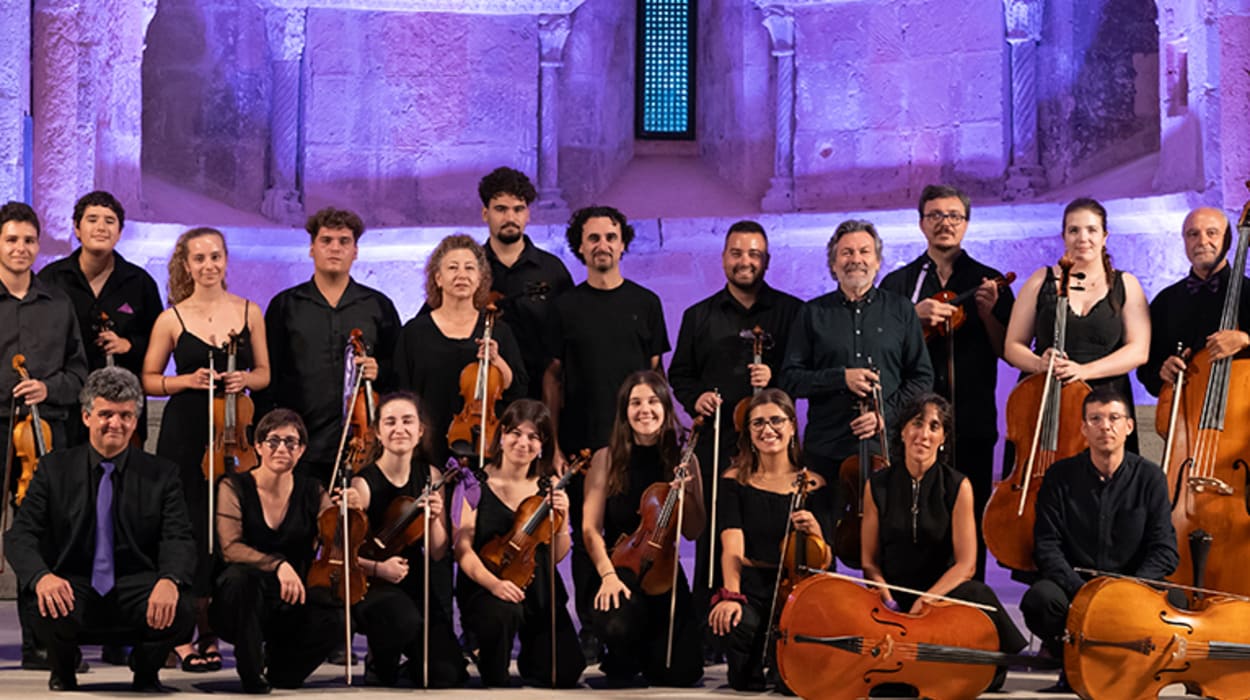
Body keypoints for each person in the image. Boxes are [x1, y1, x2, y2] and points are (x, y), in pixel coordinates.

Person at [4, 367, 195, 691]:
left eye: (125, 415)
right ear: (86, 416)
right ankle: (63, 669)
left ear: (135, 420)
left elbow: (178, 536)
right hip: (73, 583)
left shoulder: (162, 474)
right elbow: (20, 536)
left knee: (183, 606)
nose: (115, 424)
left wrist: (170, 580)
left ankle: (146, 671)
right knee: (41, 601)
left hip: (136, 584)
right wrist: (42, 577)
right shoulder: (53, 469)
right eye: (106, 414)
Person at [141, 226, 271, 672]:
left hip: (233, 434)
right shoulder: (171, 318)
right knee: (189, 524)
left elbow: (265, 374)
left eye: (215, 256)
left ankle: (212, 629)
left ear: (226, 260)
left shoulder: (250, 311)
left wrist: (244, 378)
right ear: (186, 264)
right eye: (199, 258)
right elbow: (149, 379)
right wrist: (186, 380)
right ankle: (181, 636)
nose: (208, 265)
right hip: (186, 430)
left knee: (227, 524)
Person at [543, 206, 669, 657]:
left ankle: (639, 620)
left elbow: (656, 375)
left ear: (623, 243)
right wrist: (553, 444)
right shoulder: (564, 307)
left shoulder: (646, 303)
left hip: (637, 443)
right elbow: (553, 377)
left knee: (640, 528)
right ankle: (594, 626)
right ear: (580, 246)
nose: (602, 245)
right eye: (593, 238)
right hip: (581, 440)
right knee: (586, 534)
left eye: (611, 237)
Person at [668, 220, 803, 621]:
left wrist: (776, 378)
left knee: (771, 530)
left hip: (774, 446)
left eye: (754, 254)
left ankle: (775, 616)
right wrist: (696, 398)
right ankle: (709, 621)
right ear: (724, 257)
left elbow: (803, 373)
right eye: (737, 253)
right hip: (719, 441)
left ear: (767, 260)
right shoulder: (699, 315)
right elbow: (680, 374)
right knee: (714, 533)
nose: (746, 261)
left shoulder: (793, 312)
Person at [879, 185, 1014, 580]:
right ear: (922, 223)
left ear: (966, 224)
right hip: (912, 425)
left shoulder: (989, 280)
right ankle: (913, 600)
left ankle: (968, 599)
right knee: (913, 517)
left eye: (954, 216)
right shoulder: (899, 284)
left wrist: (988, 314)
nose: (945, 223)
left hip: (971, 420)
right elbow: (882, 350)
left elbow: (1007, 350)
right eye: (935, 215)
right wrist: (912, 318)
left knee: (971, 516)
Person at [861, 393, 1026, 692]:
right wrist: (886, 596)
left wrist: (927, 601)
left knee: (977, 592)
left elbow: (966, 564)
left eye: (934, 426)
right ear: (902, 431)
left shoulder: (958, 485)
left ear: (943, 438)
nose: (924, 434)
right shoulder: (878, 485)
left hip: (942, 597)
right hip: (893, 600)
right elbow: (869, 561)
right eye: (917, 423)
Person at [1019, 386, 1179, 690]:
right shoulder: (1059, 476)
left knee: (1176, 602)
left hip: (1132, 589)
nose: (1105, 426)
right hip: (1077, 590)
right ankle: (1074, 664)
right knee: (1041, 600)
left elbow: (1165, 550)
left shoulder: (1150, 477)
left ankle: (1128, 668)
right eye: (1096, 419)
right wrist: (1084, 593)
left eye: (1114, 418)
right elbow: (1047, 547)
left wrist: (1126, 591)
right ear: (1084, 428)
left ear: (1129, 426)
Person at [0, 201, 89, 670]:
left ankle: (40, 643)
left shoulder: (58, 303)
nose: (21, 248)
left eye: (29, 240)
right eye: (11, 239)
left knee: (39, 537)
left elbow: (79, 375)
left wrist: (47, 388)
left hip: (42, 435)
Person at [780, 219, 933, 487]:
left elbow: (922, 378)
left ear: (877, 262)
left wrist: (884, 415)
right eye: (847, 252)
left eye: (864, 251)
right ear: (833, 264)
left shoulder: (901, 310)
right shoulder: (812, 313)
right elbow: (790, 379)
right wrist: (841, 378)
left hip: (886, 449)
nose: (856, 259)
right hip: (826, 450)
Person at [582, 371, 704, 687]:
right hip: (618, 567)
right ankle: (622, 651)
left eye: (653, 401)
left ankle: (645, 653)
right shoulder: (606, 458)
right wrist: (607, 576)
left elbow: (693, 530)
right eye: (635, 403)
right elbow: (590, 529)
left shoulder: (683, 458)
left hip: (664, 570)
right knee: (619, 626)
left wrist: (687, 493)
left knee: (682, 673)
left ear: (665, 407)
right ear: (625, 411)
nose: (644, 410)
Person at [263, 207, 401, 487]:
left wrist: (381, 370)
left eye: (344, 241)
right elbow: (269, 378)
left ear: (355, 251)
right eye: (326, 241)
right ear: (311, 249)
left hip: (363, 445)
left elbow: (399, 367)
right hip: (299, 444)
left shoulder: (378, 305)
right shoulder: (285, 305)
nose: (335, 248)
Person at [209, 409, 345, 693]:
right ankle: (250, 670)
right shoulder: (233, 486)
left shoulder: (313, 490)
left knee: (334, 616)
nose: (282, 448)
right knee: (241, 579)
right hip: (241, 603)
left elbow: (337, 544)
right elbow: (230, 548)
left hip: (290, 597)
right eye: (273, 441)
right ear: (258, 446)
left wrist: (347, 512)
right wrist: (279, 565)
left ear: (302, 450)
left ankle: (283, 670)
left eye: (291, 442)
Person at [453, 399, 585, 688]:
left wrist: (563, 518)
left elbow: (556, 556)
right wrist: (494, 585)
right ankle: (482, 647)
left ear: (542, 445)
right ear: (502, 435)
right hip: (488, 585)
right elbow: (462, 549)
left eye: (533, 436)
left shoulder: (548, 488)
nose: (523, 443)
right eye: (515, 433)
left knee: (564, 672)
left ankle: (532, 655)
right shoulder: (475, 482)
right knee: (496, 673)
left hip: (538, 589)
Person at [708, 389, 833, 691]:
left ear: (792, 426)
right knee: (742, 663)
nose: (768, 429)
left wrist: (816, 532)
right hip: (751, 583)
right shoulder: (734, 481)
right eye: (758, 423)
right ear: (749, 433)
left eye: (776, 420)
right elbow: (732, 546)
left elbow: (827, 561)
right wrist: (731, 596)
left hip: (796, 590)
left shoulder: (815, 484)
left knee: (791, 685)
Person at [1003, 197, 1150, 454]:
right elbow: (1012, 346)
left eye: (1092, 230)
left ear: (1105, 236)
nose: (1083, 238)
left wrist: (1083, 371)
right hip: (1045, 397)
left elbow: (1138, 351)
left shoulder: (1126, 284)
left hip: (1105, 401)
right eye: (1074, 230)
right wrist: (1039, 364)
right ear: (1064, 237)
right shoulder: (1040, 280)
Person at [350, 392, 467, 687]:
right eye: (390, 422)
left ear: (420, 431)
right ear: (378, 432)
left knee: (447, 674)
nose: (399, 429)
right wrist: (379, 569)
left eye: (407, 421)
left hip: (414, 581)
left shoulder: (432, 476)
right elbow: (343, 556)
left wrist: (434, 519)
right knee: (401, 621)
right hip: (372, 581)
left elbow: (438, 552)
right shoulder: (362, 484)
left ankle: (410, 665)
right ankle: (378, 660)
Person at [37, 191, 163, 449]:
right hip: (65, 409)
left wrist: (130, 345)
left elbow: (159, 341)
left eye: (110, 221)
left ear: (119, 232)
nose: (101, 227)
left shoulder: (140, 283)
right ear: (77, 228)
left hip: (122, 408)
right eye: (92, 219)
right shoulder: (51, 279)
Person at [393, 234, 526, 469]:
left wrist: (497, 361)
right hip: (427, 451)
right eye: (452, 267)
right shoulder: (414, 332)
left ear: (480, 279)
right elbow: (401, 391)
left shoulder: (498, 331)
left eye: (469, 268)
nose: (461, 275)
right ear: (438, 278)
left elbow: (517, 390)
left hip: (483, 447)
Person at [476, 167, 573, 400]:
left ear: (528, 214)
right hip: (482, 391)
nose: (510, 218)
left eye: (518, 209)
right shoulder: (469, 268)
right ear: (485, 214)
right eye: (501, 209)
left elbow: (570, 337)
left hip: (541, 395)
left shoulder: (552, 270)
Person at [1138, 206, 1250, 398]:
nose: (1202, 241)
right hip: (1184, 410)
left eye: (1212, 233)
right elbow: (1146, 370)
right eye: (1193, 234)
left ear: (1227, 240)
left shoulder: (1248, 292)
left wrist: (1246, 340)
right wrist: (1162, 372)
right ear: (1184, 241)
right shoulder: (1165, 301)